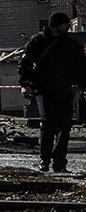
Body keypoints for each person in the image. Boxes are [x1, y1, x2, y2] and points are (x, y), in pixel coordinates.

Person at [19, 12, 86, 173]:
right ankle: (45, 160)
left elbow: (81, 67)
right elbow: (25, 64)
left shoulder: (71, 45)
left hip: (65, 89)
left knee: (65, 125)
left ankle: (60, 162)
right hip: (43, 89)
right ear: (56, 26)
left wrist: (82, 86)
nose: (68, 27)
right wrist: (25, 84)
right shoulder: (37, 42)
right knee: (48, 124)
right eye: (65, 24)